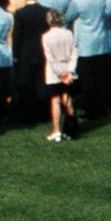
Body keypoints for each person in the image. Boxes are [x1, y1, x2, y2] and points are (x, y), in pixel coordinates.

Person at [41, 10, 78, 143]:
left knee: (55, 100)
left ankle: (57, 130)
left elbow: (50, 58)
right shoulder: (69, 33)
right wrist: (69, 71)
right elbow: (74, 53)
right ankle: (71, 131)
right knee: (68, 100)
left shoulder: (46, 36)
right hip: (68, 69)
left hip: (54, 72)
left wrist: (62, 73)